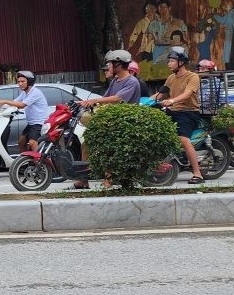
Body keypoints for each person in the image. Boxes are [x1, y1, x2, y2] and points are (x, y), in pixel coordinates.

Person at [78, 50, 145, 189]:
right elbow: (105, 98)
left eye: (111, 63)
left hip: (124, 121)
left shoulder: (132, 82)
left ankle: (109, 180)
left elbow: (117, 98)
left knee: (108, 147)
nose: (109, 66)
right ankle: (83, 180)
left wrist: (95, 100)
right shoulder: (115, 81)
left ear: (119, 64)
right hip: (112, 118)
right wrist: (86, 102)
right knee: (86, 144)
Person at [154, 46, 207, 184]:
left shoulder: (193, 77)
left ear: (181, 62)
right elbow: (161, 94)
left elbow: (188, 94)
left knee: (183, 140)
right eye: (169, 61)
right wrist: (144, 102)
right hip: (173, 111)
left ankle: (197, 173)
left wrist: (171, 100)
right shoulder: (171, 78)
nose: (169, 63)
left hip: (188, 112)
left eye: (172, 60)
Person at [0, 70, 48, 153]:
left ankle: (38, 163)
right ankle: (26, 162)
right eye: (19, 81)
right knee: (21, 142)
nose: (20, 84)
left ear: (29, 81)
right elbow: (15, 102)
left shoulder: (35, 92)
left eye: (23, 81)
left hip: (39, 123)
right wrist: (1, 105)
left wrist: (4, 101)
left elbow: (21, 105)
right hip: (31, 123)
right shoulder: (25, 93)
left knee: (32, 143)